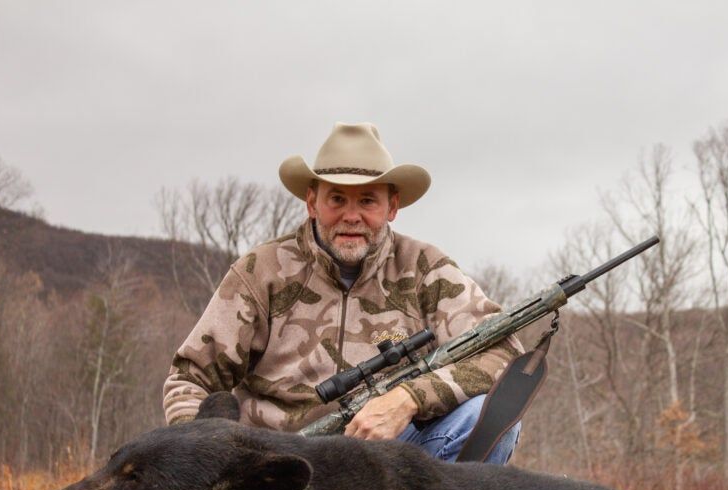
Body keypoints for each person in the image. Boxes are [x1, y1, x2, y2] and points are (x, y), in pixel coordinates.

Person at [162, 122, 523, 463]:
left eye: (367, 201)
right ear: (311, 202)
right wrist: (209, 458)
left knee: (487, 416)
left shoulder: (426, 267)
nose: (351, 216)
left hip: (389, 468)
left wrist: (408, 398)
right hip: (276, 470)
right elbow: (190, 378)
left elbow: (504, 351)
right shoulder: (262, 270)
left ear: (392, 206)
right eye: (337, 199)